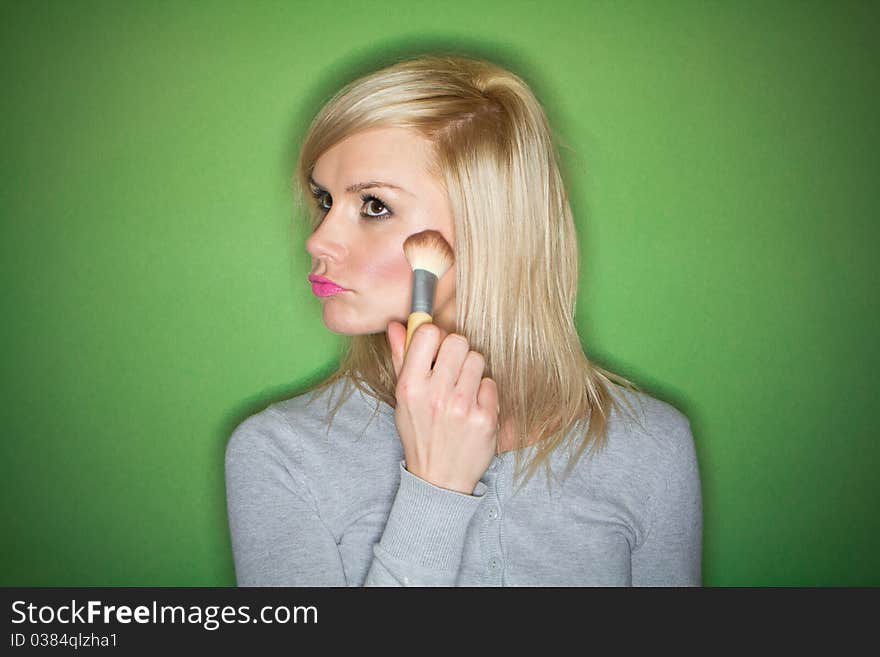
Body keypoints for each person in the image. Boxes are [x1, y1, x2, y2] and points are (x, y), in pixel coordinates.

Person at [224, 53, 703, 586]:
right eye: (324, 199)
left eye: (374, 206)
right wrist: (435, 491)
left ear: (494, 225)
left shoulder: (651, 446)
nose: (317, 239)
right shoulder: (280, 453)